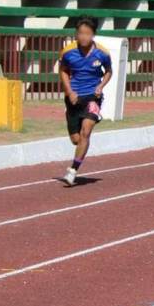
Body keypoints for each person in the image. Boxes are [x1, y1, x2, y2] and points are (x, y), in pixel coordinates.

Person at [58, 17, 113, 187]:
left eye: (87, 34)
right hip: (74, 98)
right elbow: (63, 71)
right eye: (80, 33)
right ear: (76, 34)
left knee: (86, 132)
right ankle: (73, 118)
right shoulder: (68, 52)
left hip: (92, 97)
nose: (83, 37)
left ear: (93, 35)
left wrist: (101, 86)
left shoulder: (102, 53)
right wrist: (69, 91)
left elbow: (109, 72)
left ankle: (73, 171)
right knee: (76, 140)